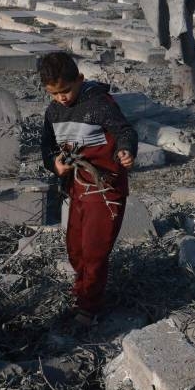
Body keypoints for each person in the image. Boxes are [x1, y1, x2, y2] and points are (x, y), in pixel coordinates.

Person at [39, 52, 137, 327]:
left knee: (95, 250)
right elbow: (47, 148)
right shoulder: (53, 112)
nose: (62, 98)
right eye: (54, 93)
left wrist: (126, 150)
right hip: (76, 189)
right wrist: (54, 165)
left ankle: (89, 307)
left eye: (66, 91)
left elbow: (124, 131)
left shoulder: (99, 104)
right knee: (75, 249)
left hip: (105, 191)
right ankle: (82, 293)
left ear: (80, 80)